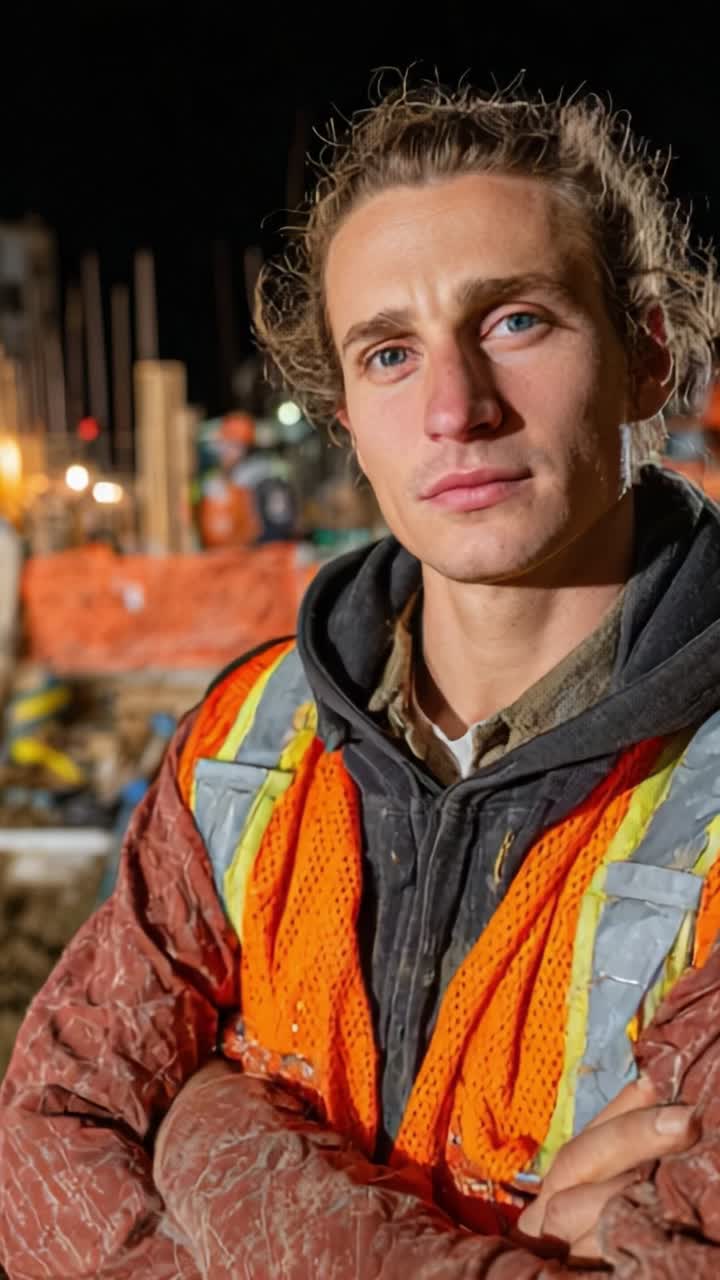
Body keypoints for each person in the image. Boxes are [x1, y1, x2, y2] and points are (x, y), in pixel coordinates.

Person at [2, 79, 720, 1279]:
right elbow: (45, 1144)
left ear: (648, 353)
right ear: (346, 417)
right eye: (391, 352)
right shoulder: (248, 739)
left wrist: (206, 1130)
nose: (456, 409)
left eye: (515, 322)